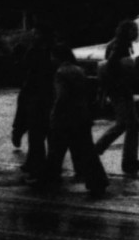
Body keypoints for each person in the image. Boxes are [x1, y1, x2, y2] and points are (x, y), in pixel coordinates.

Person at [39, 44, 109, 198]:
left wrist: (54, 114)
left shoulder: (60, 73)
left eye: (52, 56)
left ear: (57, 57)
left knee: (55, 151)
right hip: (82, 116)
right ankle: (98, 180)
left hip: (65, 118)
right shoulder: (79, 70)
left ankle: (48, 179)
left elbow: (61, 96)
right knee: (87, 151)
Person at [92, 19, 139, 178]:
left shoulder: (121, 44)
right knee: (123, 124)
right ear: (126, 31)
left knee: (132, 124)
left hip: (120, 89)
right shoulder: (119, 46)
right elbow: (112, 66)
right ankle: (97, 149)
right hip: (119, 90)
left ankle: (129, 161)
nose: (136, 33)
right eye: (133, 30)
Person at [11, 24, 55, 180]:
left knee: (36, 131)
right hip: (46, 93)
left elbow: (25, 67)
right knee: (45, 131)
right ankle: (40, 163)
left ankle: (36, 164)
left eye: (35, 32)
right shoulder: (51, 49)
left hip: (35, 92)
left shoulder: (35, 49)